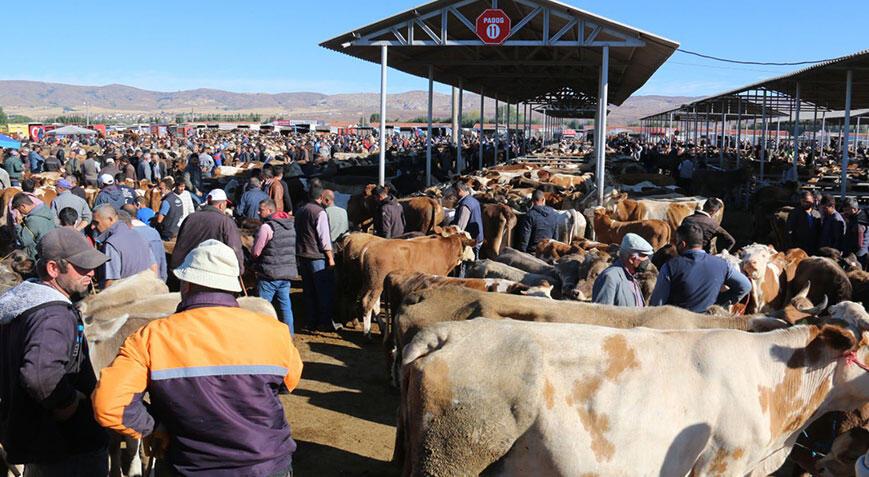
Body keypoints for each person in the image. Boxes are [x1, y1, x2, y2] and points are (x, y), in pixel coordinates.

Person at [92, 240, 302, 477]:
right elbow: (289, 382)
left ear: (187, 284)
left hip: (190, 465)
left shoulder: (151, 336)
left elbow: (109, 404)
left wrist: (154, 426)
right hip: (266, 465)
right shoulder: (273, 331)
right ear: (234, 286)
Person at [0, 228, 110, 475]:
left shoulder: (26, 303)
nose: (92, 273)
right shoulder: (54, 315)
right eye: (81, 267)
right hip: (67, 448)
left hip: (42, 443)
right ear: (53, 269)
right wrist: (68, 404)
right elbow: (40, 375)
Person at [650, 223, 751, 313]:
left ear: (682, 244)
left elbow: (656, 305)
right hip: (708, 325)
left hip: (680, 326)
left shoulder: (670, 266)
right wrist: (718, 303)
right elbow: (745, 286)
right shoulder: (723, 264)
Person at [295, 183, 340, 332]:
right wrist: (330, 257)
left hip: (302, 254)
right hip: (316, 256)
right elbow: (324, 238)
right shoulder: (319, 212)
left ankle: (310, 322)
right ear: (321, 197)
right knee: (323, 290)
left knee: (308, 291)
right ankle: (325, 322)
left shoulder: (300, 210)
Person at [170, 188, 245, 276]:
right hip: (212, 272)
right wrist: (240, 269)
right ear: (221, 205)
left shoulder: (190, 218)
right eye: (226, 204)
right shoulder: (226, 222)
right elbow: (234, 248)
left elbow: (180, 243)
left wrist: (175, 265)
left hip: (187, 270)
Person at [252, 199, 298, 334]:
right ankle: (289, 335)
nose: (258, 212)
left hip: (269, 274)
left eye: (261, 210)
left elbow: (256, 252)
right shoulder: (290, 225)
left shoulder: (267, 227)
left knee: (263, 306)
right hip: (286, 273)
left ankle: (263, 334)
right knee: (285, 306)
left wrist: (253, 260)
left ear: (270, 211)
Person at [92, 204, 157, 288]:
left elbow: (111, 283)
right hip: (145, 293)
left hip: (125, 297)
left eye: (96, 222)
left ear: (110, 219)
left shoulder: (111, 244)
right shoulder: (138, 235)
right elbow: (154, 267)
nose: (93, 226)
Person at [592, 234, 654, 307]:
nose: (647, 260)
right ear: (632, 259)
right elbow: (602, 313)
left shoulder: (632, 277)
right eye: (644, 256)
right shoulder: (609, 278)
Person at [121, 205, 168, 282]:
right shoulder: (154, 232)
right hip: (156, 280)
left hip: (136, 283)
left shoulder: (126, 234)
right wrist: (163, 279)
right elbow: (162, 258)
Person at [11, 192, 57, 260]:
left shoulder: (32, 220)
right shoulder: (45, 209)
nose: (20, 213)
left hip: (37, 255)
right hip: (50, 249)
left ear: (23, 206)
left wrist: (18, 224)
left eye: (19, 210)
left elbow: (24, 241)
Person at [515, 189, 559, 253]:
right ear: (543, 200)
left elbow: (525, 238)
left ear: (532, 201)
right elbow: (556, 237)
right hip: (548, 252)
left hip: (534, 252)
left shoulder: (529, 215)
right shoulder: (554, 213)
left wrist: (522, 252)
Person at [451, 181, 484, 258]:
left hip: (470, 241)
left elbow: (460, 227)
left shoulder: (465, 205)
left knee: (467, 265)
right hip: (478, 237)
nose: (454, 194)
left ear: (459, 190)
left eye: (454, 192)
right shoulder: (473, 200)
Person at [787, 190, 822, 255]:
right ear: (800, 201)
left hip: (813, 247)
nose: (805, 203)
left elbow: (819, 231)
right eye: (803, 201)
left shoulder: (817, 214)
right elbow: (789, 230)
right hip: (799, 247)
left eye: (808, 202)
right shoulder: (795, 213)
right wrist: (793, 245)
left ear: (812, 201)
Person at [843, 197, 869, 269]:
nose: (845, 212)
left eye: (846, 210)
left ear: (854, 209)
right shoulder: (856, 217)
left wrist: (851, 257)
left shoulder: (858, 223)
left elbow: (859, 244)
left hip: (858, 257)